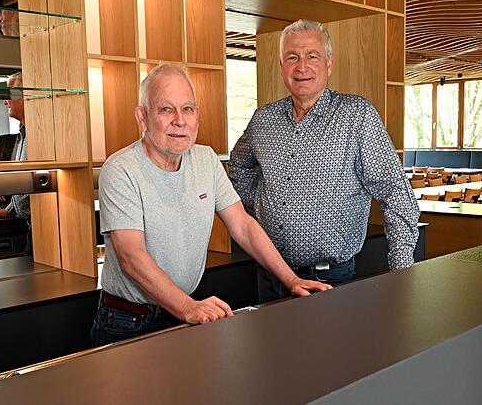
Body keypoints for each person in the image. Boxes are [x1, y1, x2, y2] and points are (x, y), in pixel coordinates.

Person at [91, 65, 331, 346]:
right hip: (129, 321)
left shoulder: (206, 160)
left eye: (188, 109)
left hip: (183, 311)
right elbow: (131, 257)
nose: (180, 121)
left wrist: (291, 280)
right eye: (166, 109)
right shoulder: (120, 170)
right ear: (142, 118)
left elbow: (243, 226)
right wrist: (188, 307)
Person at [229, 19, 420, 303]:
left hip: (330, 280)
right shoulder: (264, 119)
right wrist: (259, 208)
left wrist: (402, 273)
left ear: (329, 64)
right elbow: (238, 167)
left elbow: (396, 193)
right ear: (281, 65)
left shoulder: (356, 116)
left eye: (312, 56)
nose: (301, 67)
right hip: (270, 274)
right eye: (292, 57)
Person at [0, 73, 30, 225]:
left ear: (24, 96)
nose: (5, 102)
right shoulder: (23, 135)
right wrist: (10, 209)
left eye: (9, 95)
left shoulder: (38, 134)